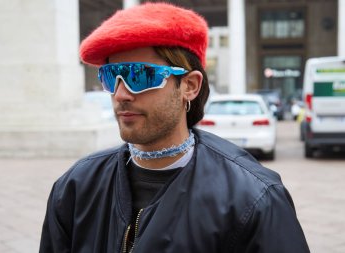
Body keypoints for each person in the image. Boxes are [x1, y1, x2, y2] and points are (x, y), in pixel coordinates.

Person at [39, 2, 310, 253]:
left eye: (139, 76)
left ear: (189, 86)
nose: (121, 94)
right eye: (111, 77)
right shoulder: (75, 187)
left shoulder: (254, 198)